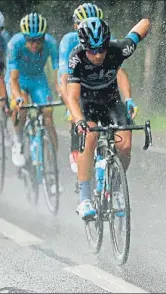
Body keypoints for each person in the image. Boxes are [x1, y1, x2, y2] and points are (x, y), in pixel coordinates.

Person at [63, 17, 149, 218]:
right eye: (92, 51)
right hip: (87, 103)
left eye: (101, 48)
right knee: (89, 138)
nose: (98, 54)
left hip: (111, 101)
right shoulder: (76, 58)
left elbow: (143, 24)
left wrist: (128, 100)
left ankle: (117, 187)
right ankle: (84, 198)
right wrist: (79, 121)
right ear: (84, 48)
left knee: (125, 144)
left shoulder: (119, 49)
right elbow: (72, 97)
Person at [58, 3, 137, 176]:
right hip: (76, 86)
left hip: (106, 90)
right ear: (75, 26)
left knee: (121, 138)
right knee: (77, 117)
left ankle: (114, 175)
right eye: (82, 22)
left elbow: (119, 71)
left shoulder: (104, 37)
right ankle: (76, 150)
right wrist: (71, 110)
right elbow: (65, 78)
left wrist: (128, 97)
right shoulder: (70, 41)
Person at [6, 13, 59, 169]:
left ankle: (53, 165)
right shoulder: (14, 44)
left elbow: (58, 72)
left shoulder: (51, 43)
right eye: (30, 40)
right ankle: (18, 141)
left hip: (38, 80)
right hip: (19, 80)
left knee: (48, 116)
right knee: (22, 108)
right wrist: (17, 98)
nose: (35, 45)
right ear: (24, 37)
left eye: (38, 40)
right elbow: (13, 79)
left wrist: (61, 91)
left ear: (44, 37)